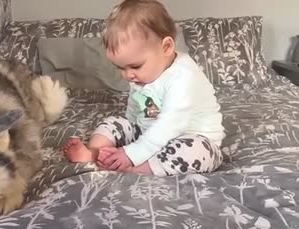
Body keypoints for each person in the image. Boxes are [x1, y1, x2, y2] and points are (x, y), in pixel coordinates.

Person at [63, 0, 225, 176]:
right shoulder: (140, 76)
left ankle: (135, 169)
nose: (127, 75)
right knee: (113, 123)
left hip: (189, 136)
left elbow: (171, 124)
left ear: (166, 47)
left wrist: (131, 154)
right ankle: (95, 153)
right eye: (120, 67)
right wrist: (128, 132)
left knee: (197, 151)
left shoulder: (183, 76)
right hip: (147, 134)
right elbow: (136, 106)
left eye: (135, 66)